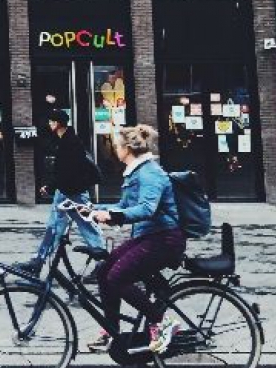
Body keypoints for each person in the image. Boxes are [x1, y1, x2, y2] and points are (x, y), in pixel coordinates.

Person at [84, 124, 185, 355]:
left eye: (116, 146)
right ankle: (111, 331)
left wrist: (113, 216)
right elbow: (124, 206)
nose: (115, 150)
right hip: (149, 236)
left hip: (165, 239)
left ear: (127, 149)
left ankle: (162, 323)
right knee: (104, 270)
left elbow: (147, 209)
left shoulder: (150, 173)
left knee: (117, 277)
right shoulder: (136, 171)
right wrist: (93, 209)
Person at [13, 109, 105, 276]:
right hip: (66, 192)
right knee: (56, 227)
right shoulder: (64, 140)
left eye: (51, 121)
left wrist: (50, 186)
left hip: (74, 194)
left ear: (57, 123)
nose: (49, 124)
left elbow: (68, 172)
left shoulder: (71, 143)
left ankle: (103, 264)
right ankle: (38, 261)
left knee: (85, 226)